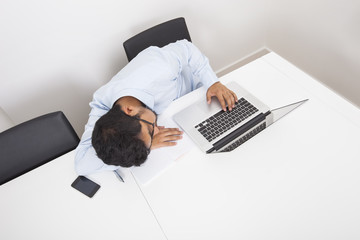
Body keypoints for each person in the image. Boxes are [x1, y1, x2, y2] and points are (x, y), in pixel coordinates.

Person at [75, 39, 237, 176]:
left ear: (129, 110)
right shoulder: (103, 113)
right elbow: (81, 164)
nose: (157, 131)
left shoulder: (159, 68)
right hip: (174, 117)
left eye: (151, 130)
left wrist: (213, 82)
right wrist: (146, 145)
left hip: (194, 93)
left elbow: (187, 49)